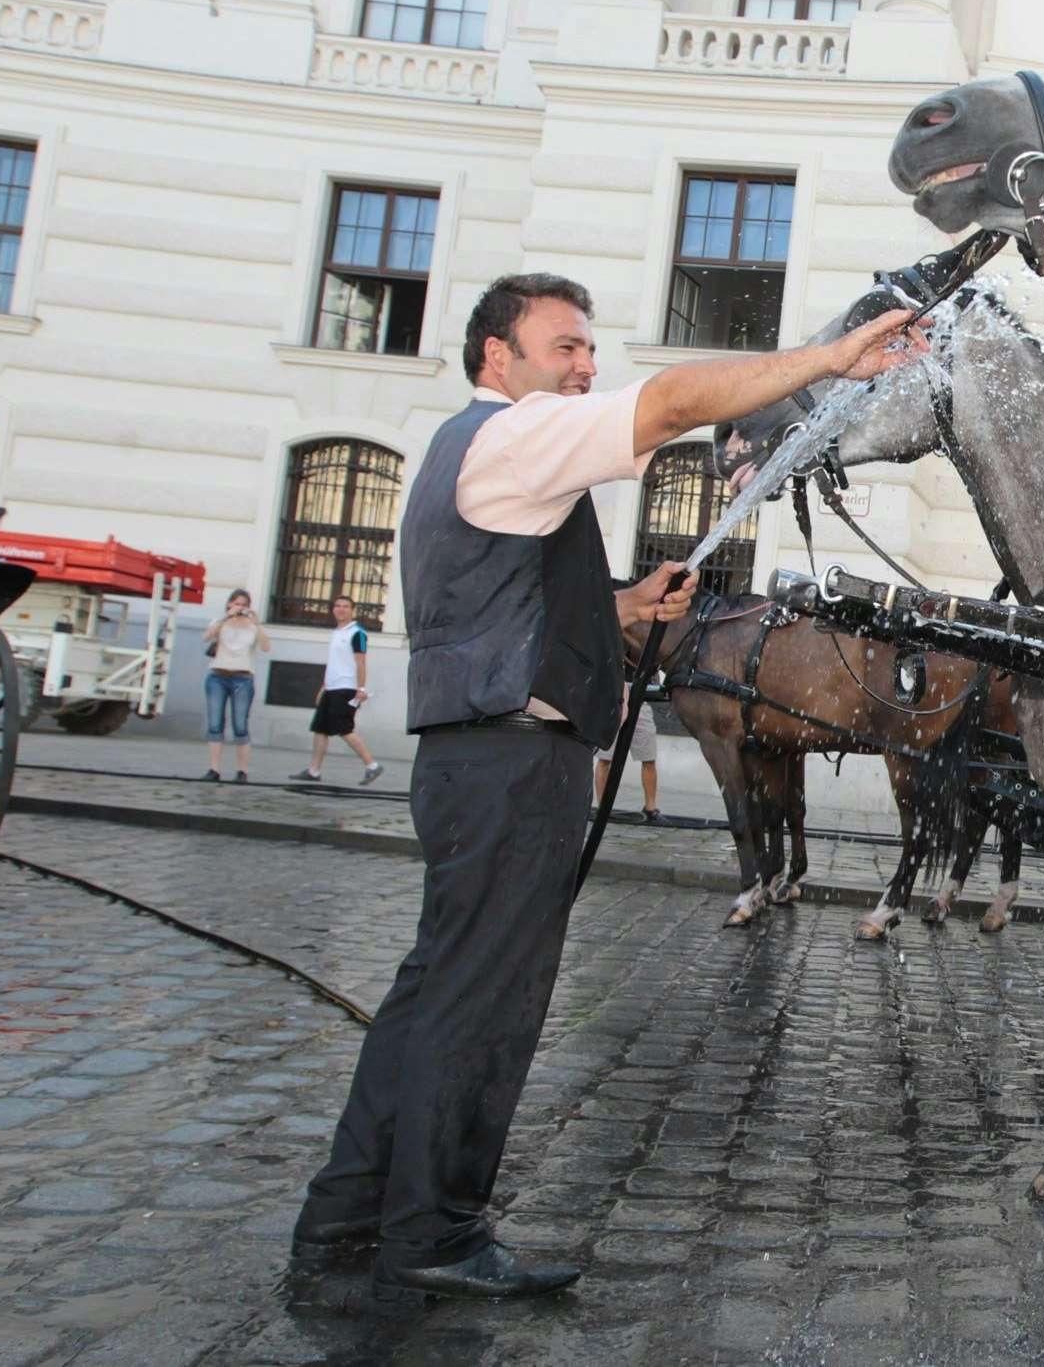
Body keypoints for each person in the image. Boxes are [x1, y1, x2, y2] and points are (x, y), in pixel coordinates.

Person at [290, 272, 922, 1302]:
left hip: (477, 759)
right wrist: (827, 360)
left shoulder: (481, 452)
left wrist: (621, 603)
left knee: (431, 997)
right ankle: (435, 1232)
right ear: (498, 356)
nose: (584, 367)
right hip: (508, 768)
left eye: (588, 349)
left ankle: (347, 1214)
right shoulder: (512, 434)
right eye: (564, 347)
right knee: (484, 1009)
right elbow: (672, 403)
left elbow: (508, 604)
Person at [291, 594, 385, 785]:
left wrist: (360, 688)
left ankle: (372, 765)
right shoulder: (336, 632)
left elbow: (361, 662)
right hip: (332, 688)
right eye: (338, 606)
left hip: (346, 688)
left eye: (346, 606)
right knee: (320, 729)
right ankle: (314, 771)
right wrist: (324, 687)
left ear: (352, 610)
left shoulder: (357, 633)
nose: (341, 609)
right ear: (333, 609)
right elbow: (334, 664)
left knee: (344, 729)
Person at [202, 588, 269, 783]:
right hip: (217, 676)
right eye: (237, 604)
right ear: (230, 604)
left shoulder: (252, 626)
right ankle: (213, 769)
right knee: (215, 723)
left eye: (244, 605)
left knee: (240, 724)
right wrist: (225, 618)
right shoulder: (220, 622)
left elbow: (266, 647)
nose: (240, 608)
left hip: (242, 678)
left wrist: (257, 623)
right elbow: (206, 637)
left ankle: (242, 771)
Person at [593, 684, 661, 823]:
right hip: (611, 702)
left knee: (649, 757)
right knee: (605, 758)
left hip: (640, 703)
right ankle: (602, 807)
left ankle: (651, 808)